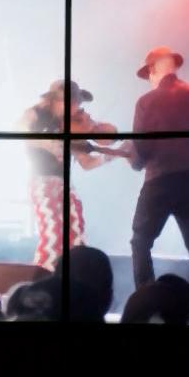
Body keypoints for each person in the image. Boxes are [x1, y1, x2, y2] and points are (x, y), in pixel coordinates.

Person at [125, 46, 189, 289]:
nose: (148, 79)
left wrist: (135, 161)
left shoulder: (146, 102)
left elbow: (142, 149)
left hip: (160, 181)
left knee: (141, 242)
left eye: (148, 73)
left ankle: (146, 302)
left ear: (155, 69)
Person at [20, 79, 115, 270]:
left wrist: (107, 157)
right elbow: (18, 130)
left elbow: (86, 162)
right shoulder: (37, 113)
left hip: (62, 184)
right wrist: (44, 143)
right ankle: (45, 275)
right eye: (75, 102)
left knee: (76, 230)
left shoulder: (68, 124)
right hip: (41, 181)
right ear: (60, 100)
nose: (77, 107)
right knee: (52, 231)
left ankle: (75, 274)